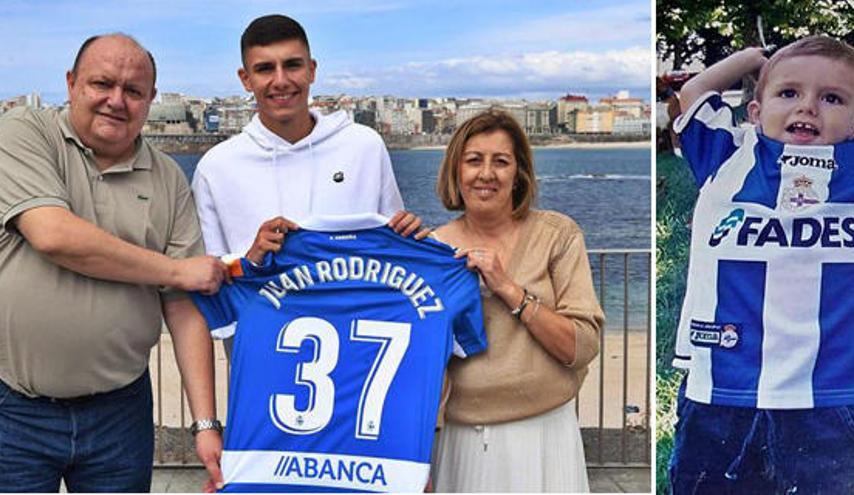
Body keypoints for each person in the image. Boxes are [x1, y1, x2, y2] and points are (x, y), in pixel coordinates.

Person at [0, 34, 226, 492]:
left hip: (120, 414)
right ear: (71, 83)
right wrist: (177, 269)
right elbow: (53, 235)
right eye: (101, 83)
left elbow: (182, 308)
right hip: (14, 409)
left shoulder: (168, 178)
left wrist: (205, 424)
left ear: (151, 100)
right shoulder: (23, 131)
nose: (116, 101)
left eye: (133, 91)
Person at [669, 36, 854, 493]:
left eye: (832, 98)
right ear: (755, 112)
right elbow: (691, 94)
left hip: (835, 399)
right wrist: (753, 60)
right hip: (721, 393)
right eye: (788, 93)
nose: (808, 108)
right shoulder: (726, 157)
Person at [192, 14, 421, 328]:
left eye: (293, 65)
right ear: (245, 79)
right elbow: (212, 282)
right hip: (262, 358)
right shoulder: (215, 168)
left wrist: (415, 235)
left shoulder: (364, 145)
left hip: (362, 353)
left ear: (312, 70)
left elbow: (395, 254)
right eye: (264, 69)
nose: (281, 80)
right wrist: (252, 258)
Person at [429, 109, 604, 492]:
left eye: (501, 161)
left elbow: (582, 346)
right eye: (474, 160)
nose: (486, 174)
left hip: (543, 436)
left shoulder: (557, 235)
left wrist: (509, 288)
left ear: (519, 173)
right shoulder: (432, 249)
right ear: (456, 171)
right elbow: (421, 366)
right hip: (458, 442)